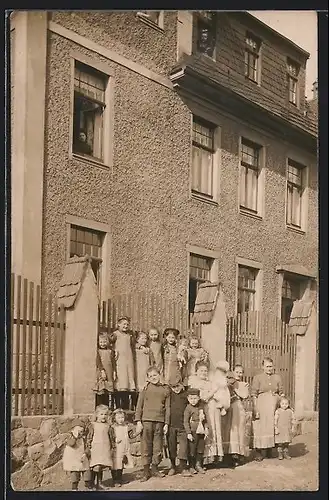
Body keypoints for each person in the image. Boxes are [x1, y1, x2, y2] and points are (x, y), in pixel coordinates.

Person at [134, 366, 170, 482]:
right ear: (147, 378)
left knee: (157, 446)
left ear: (159, 375)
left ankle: (154, 468)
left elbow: (168, 408)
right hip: (146, 421)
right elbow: (139, 406)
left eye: (155, 375)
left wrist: (166, 423)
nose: (153, 378)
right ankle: (146, 471)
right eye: (150, 376)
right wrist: (138, 421)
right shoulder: (145, 389)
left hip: (159, 421)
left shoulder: (165, 389)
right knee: (146, 446)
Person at [188, 361, 224, 465]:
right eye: (201, 371)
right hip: (204, 408)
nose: (204, 373)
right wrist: (212, 393)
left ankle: (216, 455)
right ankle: (205, 458)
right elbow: (203, 397)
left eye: (205, 371)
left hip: (214, 409)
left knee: (215, 429)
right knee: (207, 431)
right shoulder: (194, 383)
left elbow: (218, 395)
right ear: (196, 371)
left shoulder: (210, 382)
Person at [251, 357, 284, 461]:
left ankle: (270, 449)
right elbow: (254, 394)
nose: (269, 368)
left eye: (271, 366)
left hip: (274, 405)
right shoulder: (257, 377)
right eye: (267, 366)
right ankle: (259, 452)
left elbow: (281, 392)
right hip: (262, 404)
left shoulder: (277, 377)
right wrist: (256, 408)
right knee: (261, 427)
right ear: (263, 367)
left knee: (272, 426)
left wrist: (281, 401)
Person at [85, 405, 114, 490]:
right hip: (95, 447)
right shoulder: (93, 425)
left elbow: (111, 437)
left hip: (105, 447)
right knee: (95, 465)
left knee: (101, 466)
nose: (103, 416)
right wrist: (88, 446)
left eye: (105, 414)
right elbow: (89, 437)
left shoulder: (108, 426)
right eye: (101, 414)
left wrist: (112, 446)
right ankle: (91, 482)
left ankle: (99, 483)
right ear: (97, 415)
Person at [226, 365, 250, 467]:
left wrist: (235, 388)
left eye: (241, 372)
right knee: (230, 430)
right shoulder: (227, 383)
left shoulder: (243, 384)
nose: (239, 374)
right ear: (233, 372)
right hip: (229, 407)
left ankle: (239, 454)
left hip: (239, 408)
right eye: (237, 372)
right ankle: (230, 454)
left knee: (239, 431)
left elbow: (244, 396)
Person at [166, 381, 190, 476]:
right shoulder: (169, 395)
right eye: (173, 387)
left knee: (184, 446)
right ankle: (172, 466)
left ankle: (183, 467)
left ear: (182, 385)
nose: (176, 389)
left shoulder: (185, 394)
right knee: (171, 446)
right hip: (171, 424)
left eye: (177, 386)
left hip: (183, 425)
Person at [112, 317, 136, 410]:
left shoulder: (129, 336)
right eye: (124, 324)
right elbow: (110, 344)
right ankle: (118, 407)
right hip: (119, 360)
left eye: (127, 324)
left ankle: (126, 408)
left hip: (128, 360)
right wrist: (114, 351)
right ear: (118, 324)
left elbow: (135, 345)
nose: (126, 326)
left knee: (128, 381)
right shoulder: (115, 335)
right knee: (120, 382)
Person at [184, 387, 209, 475]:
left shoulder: (201, 408)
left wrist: (206, 428)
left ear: (198, 398)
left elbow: (205, 420)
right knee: (192, 449)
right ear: (188, 398)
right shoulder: (188, 408)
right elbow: (185, 422)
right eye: (191, 398)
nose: (193, 401)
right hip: (193, 430)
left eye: (195, 398)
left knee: (200, 448)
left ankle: (199, 465)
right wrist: (188, 433)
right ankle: (191, 466)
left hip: (201, 431)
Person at [62, 424, 93, 491]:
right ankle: (74, 487)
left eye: (82, 432)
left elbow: (87, 447)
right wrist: (75, 436)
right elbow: (71, 444)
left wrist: (85, 453)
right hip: (74, 458)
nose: (80, 433)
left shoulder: (83, 439)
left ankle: (87, 485)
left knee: (86, 471)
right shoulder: (70, 438)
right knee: (75, 473)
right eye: (79, 432)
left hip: (82, 457)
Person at [111, 408, 135, 487]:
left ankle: (120, 478)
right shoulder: (113, 427)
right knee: (116, 464)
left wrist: (137, 431)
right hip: (116, 448)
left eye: (122, 417)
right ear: (114, 418)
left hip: (124, 447)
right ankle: (115, 480)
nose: (121, 419)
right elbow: (110, 436)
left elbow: (130, 435)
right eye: (119, 418)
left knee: (121, 463)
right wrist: (115, 439)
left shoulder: (126, 426)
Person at [93, 331, 116, 409]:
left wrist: (114, 372)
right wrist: (102, 371)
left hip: (109, 372)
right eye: (101, 342)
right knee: (101, 390)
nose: (103, 344)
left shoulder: (110, 351)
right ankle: (99, 407)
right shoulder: (98, 351)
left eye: (104, 342)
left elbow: (113, 362)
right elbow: (98, 362)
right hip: (101, 372)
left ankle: (107, 408)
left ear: (107, 342)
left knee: (107, 391)